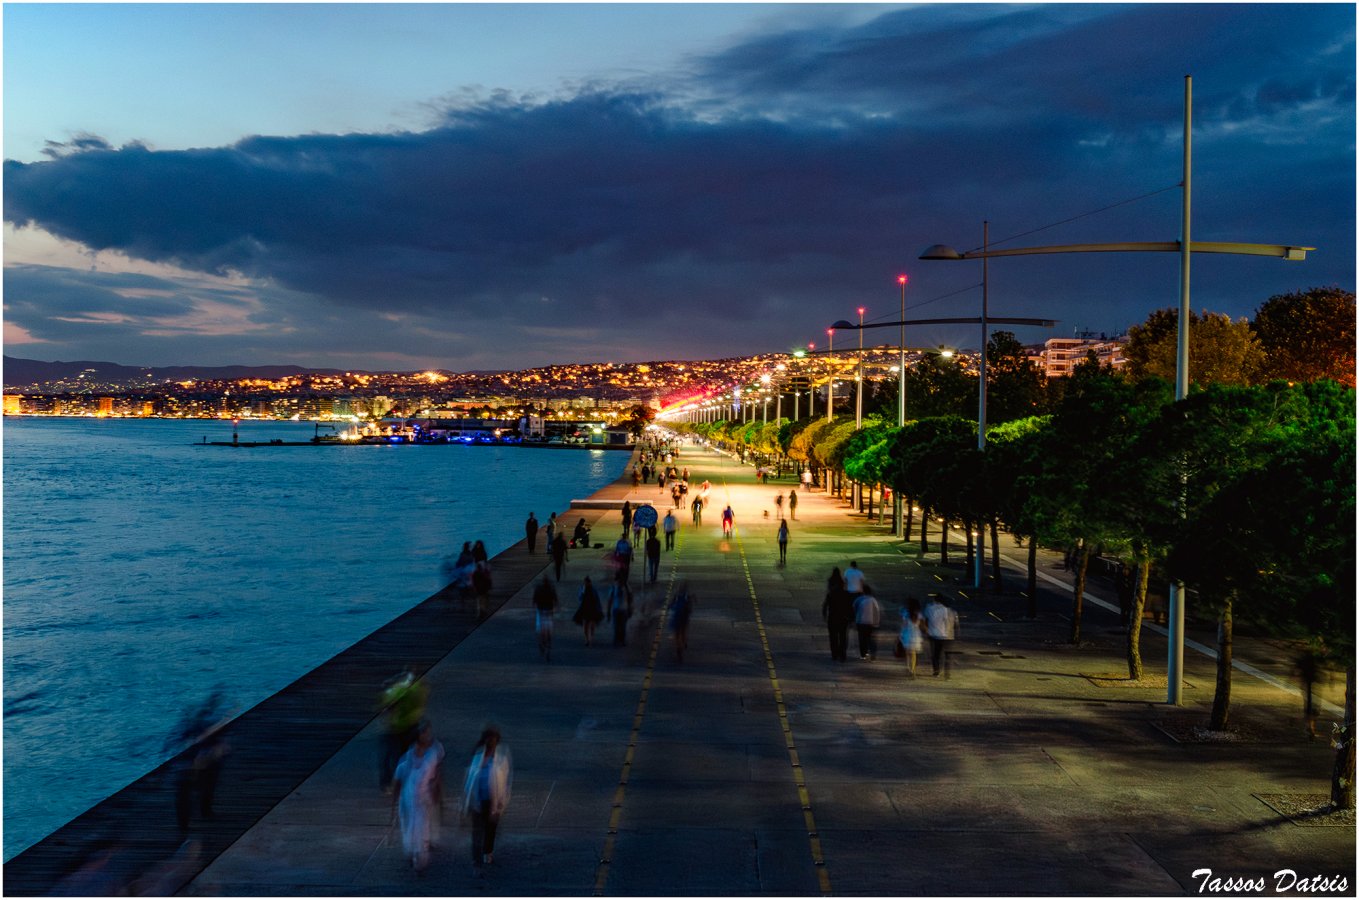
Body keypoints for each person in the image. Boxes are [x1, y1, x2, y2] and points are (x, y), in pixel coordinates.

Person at [392, 719, 445, 873]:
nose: (427, 735)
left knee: (422, 827)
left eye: (427, 732)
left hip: (423, 799)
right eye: (423, 733)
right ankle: (413, 852)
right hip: (408, 800)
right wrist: (395, 802)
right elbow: (399, 781)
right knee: (410, 827)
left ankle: (420, 857)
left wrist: (436, 793)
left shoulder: (432, 755)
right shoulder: (407, 760)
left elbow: (436, 777)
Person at [462, 726, 511, 868]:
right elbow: (470, 779)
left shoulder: (501, 760)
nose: (491, 743)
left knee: (490, 828)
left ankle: (487, 852)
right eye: (489, 740)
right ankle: (477, 855)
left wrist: (502, 801)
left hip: (493, 801)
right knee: (478, 829)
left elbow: (505, 781)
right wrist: (467, 801)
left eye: (494, 740)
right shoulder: (477, 758)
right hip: (478, 799)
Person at [379, 669, 428, 791]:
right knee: (405, 755)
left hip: (397, 727)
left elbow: (389, 704)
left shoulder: (403, 688)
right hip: (410, 726)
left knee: (391, 755)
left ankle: (390, 783)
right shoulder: (420, 689)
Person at [821, 568, 853, 662]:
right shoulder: (846, 594)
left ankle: (834, 654)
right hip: (843, 618)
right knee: (843, 637)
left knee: (833, 637)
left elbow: (825, 606)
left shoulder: (831, 594)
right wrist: (851, 617)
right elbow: (850, 607)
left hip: (833, 617)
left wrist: (824, 615)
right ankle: (842, 654)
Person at [923, 596, 960, 677]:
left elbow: (929, 621)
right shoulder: (953, 612)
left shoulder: (935, 610)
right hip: (950, 637)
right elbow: (956, 625)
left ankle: (936, 671)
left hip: (937, 636)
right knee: (948, 656)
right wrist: (956, 635)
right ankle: (947, 673)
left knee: (936, 654)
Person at [573, 576, 604, 645]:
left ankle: (590, 638)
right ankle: (587, 639)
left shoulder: (593, 589)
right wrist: (583, 591)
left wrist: (599, 608)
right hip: (585, 609)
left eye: (588, 583)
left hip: (592, 609)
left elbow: (597, 599)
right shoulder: (582, 589)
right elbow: (580, 598)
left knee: (591, 625)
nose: (587, 584)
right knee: (585, 625)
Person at [854, 584, 882, 660]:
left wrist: (855, 619)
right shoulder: (873, 600)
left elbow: (854, 608)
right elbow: (876, 611)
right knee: (871, 639)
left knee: (862, 639)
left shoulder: (859, 599)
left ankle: (863, 654)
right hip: (871, 622)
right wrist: (877, 622)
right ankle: (872, 654)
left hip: (861, 621)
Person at [532, 577, 557, 661]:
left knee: (541, 630)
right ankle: (547, 646)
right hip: (548, 612)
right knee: (548, 631)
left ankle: (542, 644)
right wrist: (554, 608)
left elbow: (535, 600)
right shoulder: (551, 589)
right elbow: (555, 601)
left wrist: (535, 606)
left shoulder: (539, 589)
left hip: (541, 611)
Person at [898, 596, 924, 676]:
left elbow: (903, 625)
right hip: (916, 635)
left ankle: (908, 667)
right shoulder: (919, 614)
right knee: (913, 654)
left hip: (907, 634)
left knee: (907, 653)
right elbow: (922, 625)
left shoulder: (905, 613)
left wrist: (900, 634)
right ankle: (913, 669)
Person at [669, 582, 694, 663]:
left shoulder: (676, 595)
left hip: (677, 617)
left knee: (676, 634)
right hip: (684, 618)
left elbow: (671, 604)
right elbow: (690, 605)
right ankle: (683, 643)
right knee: (683, 632)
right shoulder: (687, 596)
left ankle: (679, 648)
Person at [607, 576, 633, 646]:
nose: (618, 583)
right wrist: (608, 611)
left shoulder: (627, 588)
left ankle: (622, 640)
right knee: (616, 626)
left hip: (624, 610)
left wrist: (630, 609)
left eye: (620, 581)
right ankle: (616, 639)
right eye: (617, 581)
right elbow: (609, 600)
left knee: (623, 626)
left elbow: (630, 599)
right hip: (616, 610)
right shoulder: (613, 588)